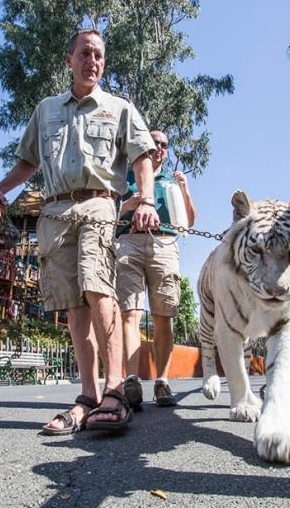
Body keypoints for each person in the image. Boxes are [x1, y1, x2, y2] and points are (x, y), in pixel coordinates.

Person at [0, 29, 159, 434]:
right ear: (69, 59)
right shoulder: (45, 109)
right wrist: (2, 188)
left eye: (99, 55)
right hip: (54, 212)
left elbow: (142, 158)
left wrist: (147, 200)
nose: (93, 61)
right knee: (73, 304)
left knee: (98, 285)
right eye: (85, 53)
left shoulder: (119, 107)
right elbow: (28, 162)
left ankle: (115, 389)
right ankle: (87, 396)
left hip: (98, 202)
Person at [115, 130, 197, 409]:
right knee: (130, 312)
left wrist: (185, 189)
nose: (159, 148)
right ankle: (132, 380)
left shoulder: (171, 181)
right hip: (128, 242)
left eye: (164, 145)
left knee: (164, 315)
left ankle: (162, 381)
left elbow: (189, 221)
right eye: (154, 143)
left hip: (163, 244)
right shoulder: (126, 175)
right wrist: (130, 204)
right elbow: (111, 214)